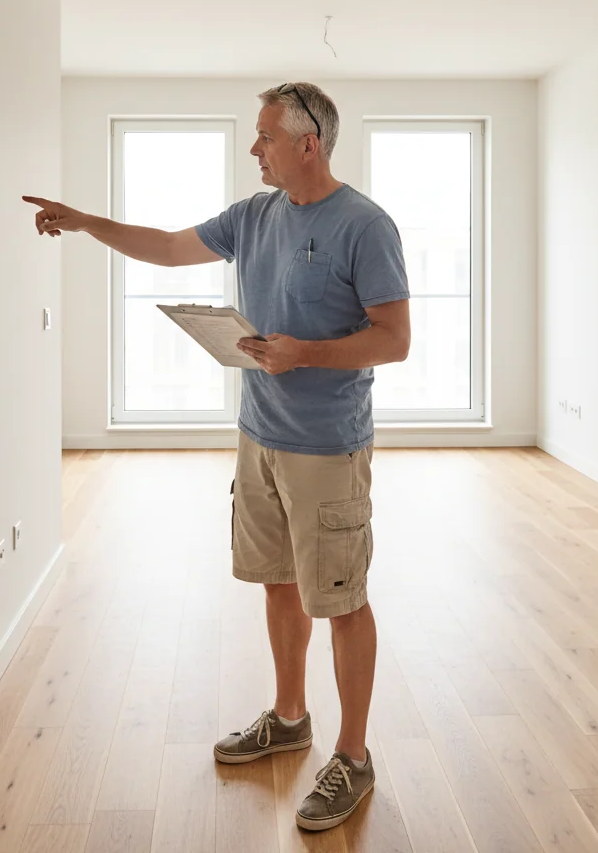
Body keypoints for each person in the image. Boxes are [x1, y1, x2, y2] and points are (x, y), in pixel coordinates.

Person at [24, 82, 410, 832]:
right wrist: (82, 222)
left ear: (309, 143)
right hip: (258, 433)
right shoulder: (253, 215)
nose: (254, 147)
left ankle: (354, 758)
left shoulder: (365, 225)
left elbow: (393, 340)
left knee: (341, 601)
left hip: (328, 445)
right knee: (276, 583)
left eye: (265, 135)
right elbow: (170, 248)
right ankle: (290, 717)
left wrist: (307, 354)